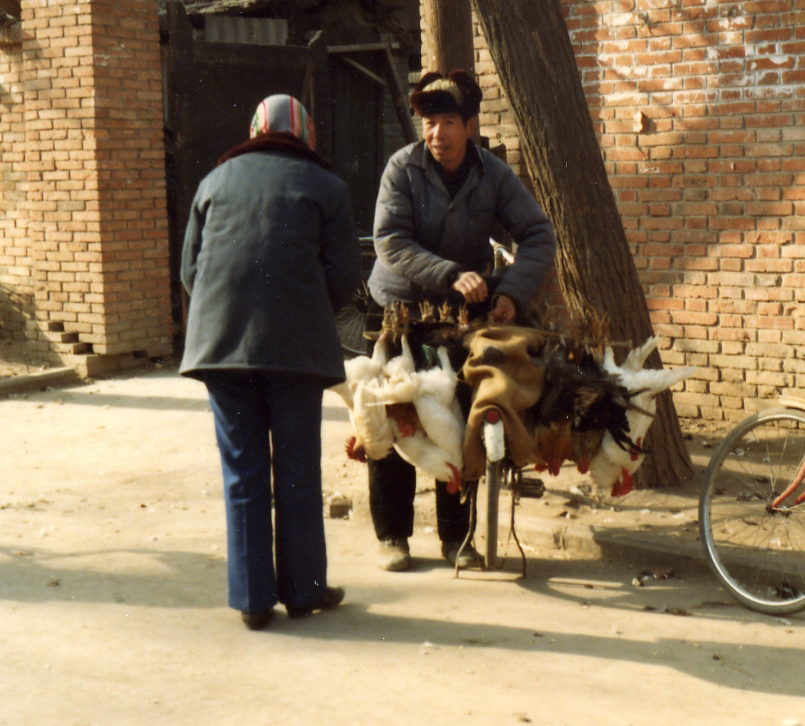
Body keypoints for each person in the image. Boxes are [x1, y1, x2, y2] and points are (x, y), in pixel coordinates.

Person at [179, 94, 363, 630]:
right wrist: (303, 310)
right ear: (305, 137)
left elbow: (192, 270)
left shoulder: (213, 182)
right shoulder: (327, 186)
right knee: (297, 470)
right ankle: (304, 591)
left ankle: (253, 601)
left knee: (243, 471)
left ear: (255, 131)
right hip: (296, 350)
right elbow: (345, 275)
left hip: (222, 345)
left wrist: (224, 313)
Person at [366, 69, 557, 571]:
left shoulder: (492, 174)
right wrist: (450, 273)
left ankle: (457, 539)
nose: (437, 135)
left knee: (455, 417)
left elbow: (537, 233)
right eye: (429, 123)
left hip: (458, 316)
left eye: (448, 122)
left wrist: (512, 291)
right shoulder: (401, 169)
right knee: (395, 414)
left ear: (470, 125)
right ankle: (393, 536)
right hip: (401, 306)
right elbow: (390, 240)